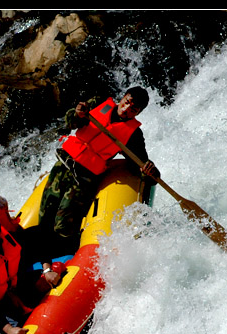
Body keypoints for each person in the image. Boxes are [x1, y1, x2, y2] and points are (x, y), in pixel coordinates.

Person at [38, 86, 160, 254]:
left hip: (83, 178)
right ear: (123, 98)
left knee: (63, 224)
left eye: (133, 110)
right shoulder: (98, 103)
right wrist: (77, 113)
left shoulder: (133, 135)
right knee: (46, 212)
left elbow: (137, 162)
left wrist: (150, 170)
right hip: (64, 164)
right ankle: (41, 255)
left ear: (137, 113)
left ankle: (64, 254)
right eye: (126, 103)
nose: (126, 110)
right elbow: (71, 122)